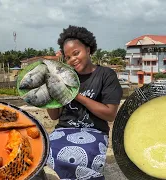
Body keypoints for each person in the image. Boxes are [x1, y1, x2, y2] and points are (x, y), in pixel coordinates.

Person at [46, 25, 123, 180]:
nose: (72, 59)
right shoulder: (65, 76)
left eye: (76, 53)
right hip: (64, 129)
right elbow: (54, 116)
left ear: (88, 49)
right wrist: (50, 94)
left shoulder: (106, 75)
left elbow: (110, 114)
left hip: (95, 132)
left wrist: (76, 95)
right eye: (68, 57)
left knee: (84, 156)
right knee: (44, 151)